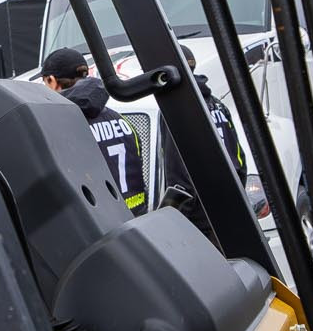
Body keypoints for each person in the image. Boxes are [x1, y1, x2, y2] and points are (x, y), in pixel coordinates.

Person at [42, 45, 146, 212]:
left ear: (51, 81)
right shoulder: (123, 120)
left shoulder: (60, 126)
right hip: (137, 221)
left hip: (99, 227)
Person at [156, 43, 249, 209]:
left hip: (201, 207)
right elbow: (239, 158)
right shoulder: (217, 104)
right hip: (231, 197)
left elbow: (178, 172)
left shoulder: (176, 109)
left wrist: (176, 212)